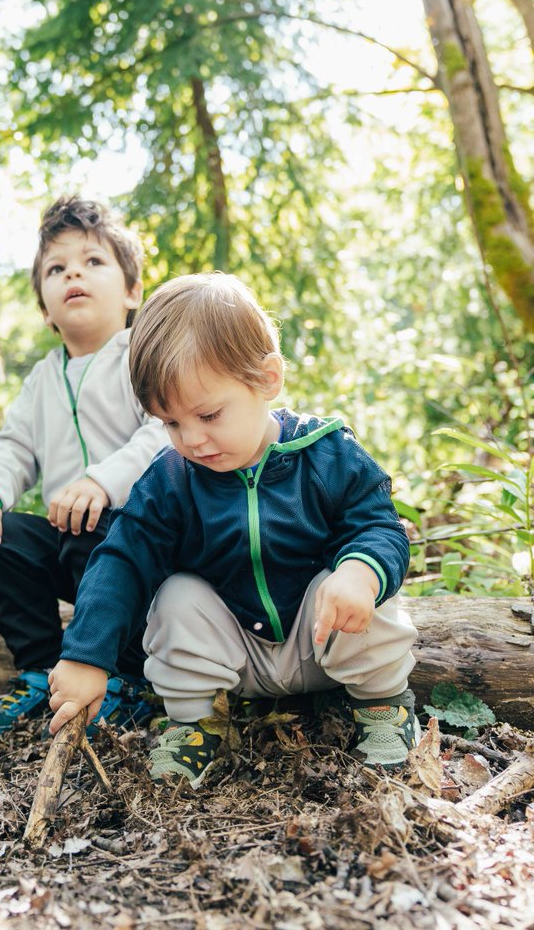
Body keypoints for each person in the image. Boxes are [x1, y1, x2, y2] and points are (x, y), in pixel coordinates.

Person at [47, 272, 419, 783]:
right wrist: (86, 656)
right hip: (235, 659)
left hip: (323, 637)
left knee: (355, 575)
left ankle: (383, 707)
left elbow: (381, 527)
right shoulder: (171, 481)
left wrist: (360, 570)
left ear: (266, 379)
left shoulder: (326, 452)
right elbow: (122, 560)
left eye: (209, 414)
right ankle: (196, 725)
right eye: (172, 423)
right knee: (176, 593)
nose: (193, 439)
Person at [0, 196, 168, 735]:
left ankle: (126, 678)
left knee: (93, 524)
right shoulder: (43, 379)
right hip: (74, 542)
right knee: (2, 537)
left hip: (147, 543)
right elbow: (13, 447)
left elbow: (164, 431)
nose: (74, 271)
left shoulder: (142, 355)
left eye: (94, 261)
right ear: (46, 308)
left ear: (132, 291)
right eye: (57, 268)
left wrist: (103, 481)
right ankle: (42, 672)